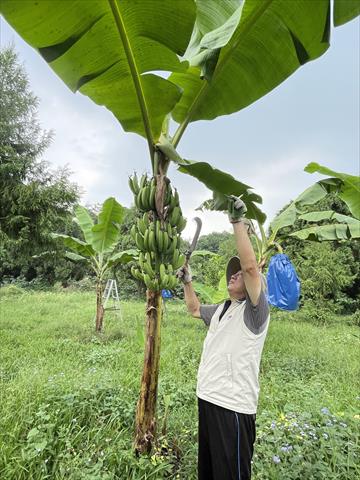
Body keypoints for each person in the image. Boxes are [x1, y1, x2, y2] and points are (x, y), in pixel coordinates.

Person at [177, 197, 270, 480]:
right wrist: (187, 282)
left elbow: (252, 267)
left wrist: (236, 222)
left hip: (233, 407)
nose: (235, 275)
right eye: (233, 273)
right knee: (210, 471)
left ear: (253, 285)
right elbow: (193, 309)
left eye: (240, 274)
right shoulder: (220, 310)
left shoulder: (256, 312)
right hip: (207, 397)